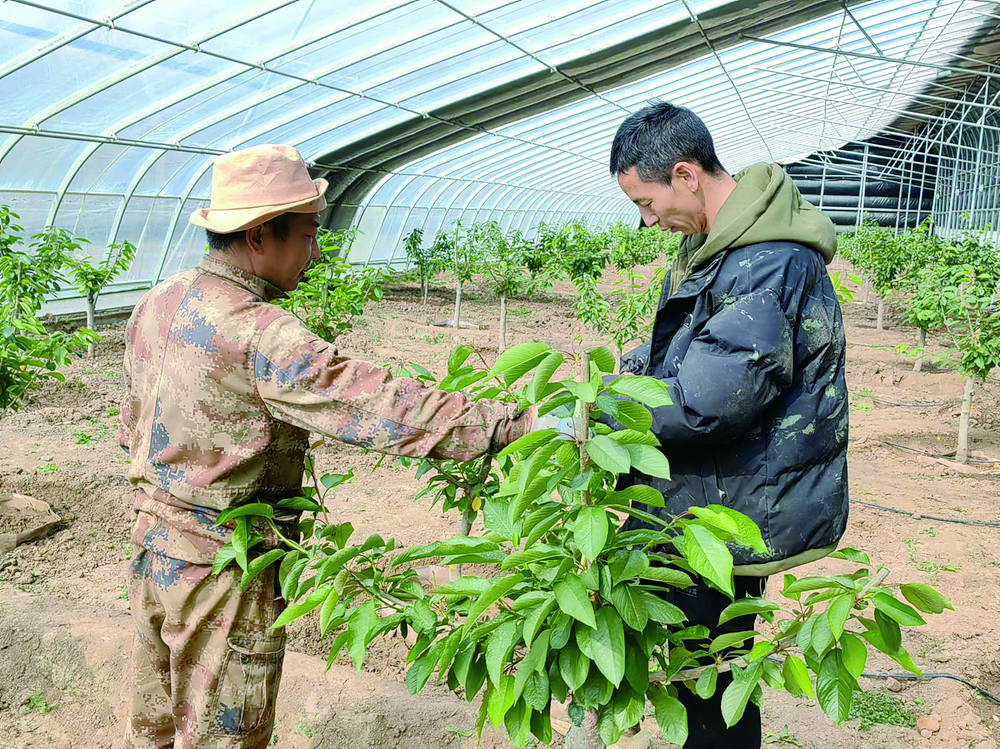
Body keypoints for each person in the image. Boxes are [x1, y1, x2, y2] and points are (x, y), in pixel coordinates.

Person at [118, 144, 533, 749]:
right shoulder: (261, 333)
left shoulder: (159, 301)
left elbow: (131, 423)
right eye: (309, 235)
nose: (315, 253)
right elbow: (377, 404)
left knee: (153, 728)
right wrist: (514, 424)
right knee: (225, 736)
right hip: (224, 569)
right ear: (259, 235)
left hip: (152, 547)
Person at [608, 102, 849, 748]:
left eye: (647, 202)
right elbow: (695, 348)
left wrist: (603, 407)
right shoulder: (720, 245)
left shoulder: (767, 262)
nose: (647, 220)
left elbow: (707, 402)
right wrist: (629, 370)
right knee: (705, 668)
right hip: (712, 490)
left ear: (685, 175)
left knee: (711, 677)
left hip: (733, 501)